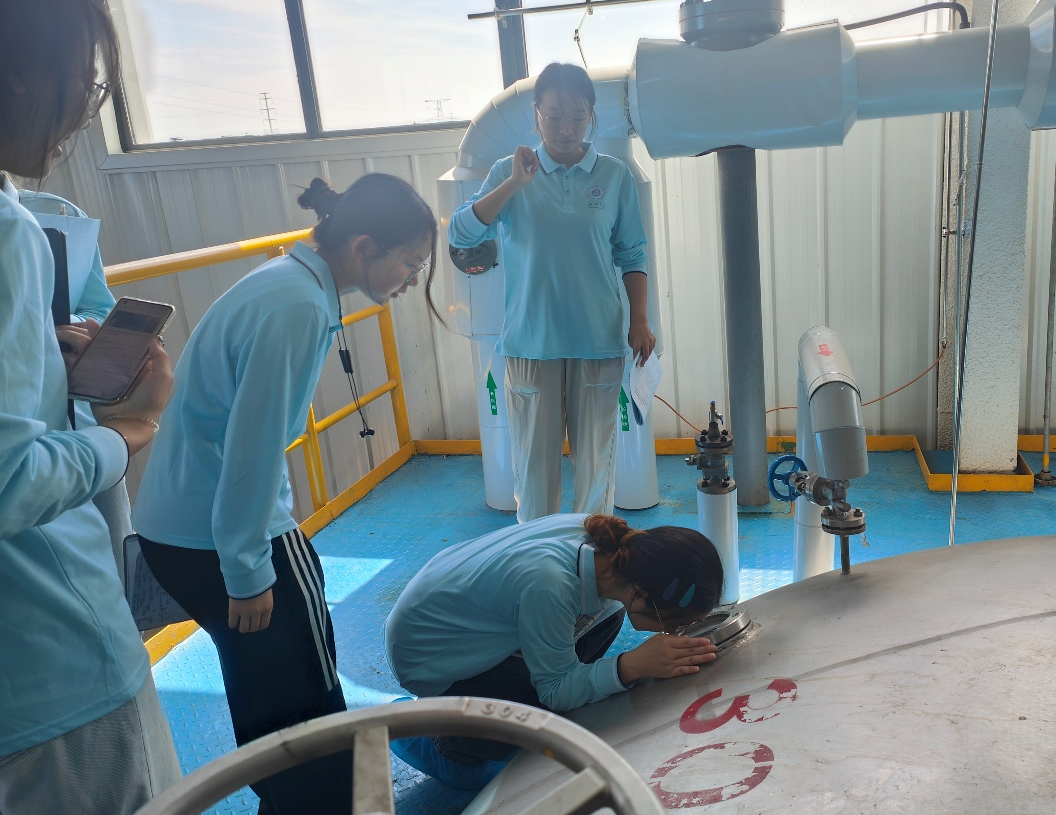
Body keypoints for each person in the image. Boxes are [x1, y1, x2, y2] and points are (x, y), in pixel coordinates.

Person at [132, 173, 439, 815]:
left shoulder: (284, 284)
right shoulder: (298, 307)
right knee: (308, 705)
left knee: (264, 691)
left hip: (178, 526)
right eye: (410, 264)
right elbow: (253, 449)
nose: (413, 280)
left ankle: (286, 802)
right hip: (225, 536)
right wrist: (248, 570)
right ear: (363, 247)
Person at [0, 0, 181, 814]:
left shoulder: (39, 217)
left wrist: (49, 363)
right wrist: (128, 431)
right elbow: (8, 477)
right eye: (85, 83)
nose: (82, 114)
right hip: (55, 660)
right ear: (19, 77)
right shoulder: (12, 230)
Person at [449, 62, 655, 523]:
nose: (566, 128)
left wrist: (639, 319)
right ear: (536, 115)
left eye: (578, 117)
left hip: (597, 343)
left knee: (595, 476)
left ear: (591, 115)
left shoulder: (614, 176)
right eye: (554, 116)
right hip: (531, 345)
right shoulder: (508, 173)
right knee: (534, 477)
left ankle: (590, 561)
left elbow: (633, 253)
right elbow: (461, 235)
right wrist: (514, 184)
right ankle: (537, 559)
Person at [383, 513, 723, 789]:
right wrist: (630, 666)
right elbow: (555, 691)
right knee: (535, 722)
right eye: (672, 621)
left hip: (470, 622)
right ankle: (436, 739)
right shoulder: (550, 584)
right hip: (430, 659)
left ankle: (541, 684)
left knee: (610, 615)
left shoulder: (613, 548)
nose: (671, 631)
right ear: (641, 593)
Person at [20, 186, 132, 582]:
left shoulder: (55, 210)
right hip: (23, 439)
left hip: (81, 423)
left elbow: (100, 306)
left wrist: (66, 330)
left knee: (116, 560)